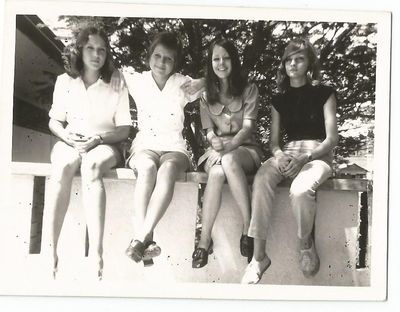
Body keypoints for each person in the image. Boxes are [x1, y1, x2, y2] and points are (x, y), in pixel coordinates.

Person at [241, 38, 338, 284]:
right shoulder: (279, 99)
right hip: (287, 154)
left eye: (299, 59)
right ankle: (258, 257)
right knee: (262, 179)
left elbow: (332, 139)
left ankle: (306, 243)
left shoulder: (324, 92)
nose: (293, 64)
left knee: (301, 189)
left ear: (309, 64)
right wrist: (278, 155)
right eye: (288, 60)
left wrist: (306, 157)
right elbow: (274, 142)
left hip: (316, 154)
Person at [46, 26, 132, 280]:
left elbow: (124, 129)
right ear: (80, 50)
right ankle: (51, 252)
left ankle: (96, 253)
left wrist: (97, 139)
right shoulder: (65, 82)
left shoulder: (116, 83)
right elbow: (54, 121)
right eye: (91, 48)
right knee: (62, 166)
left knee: (92, 166)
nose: (96, 54)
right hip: (71, 141)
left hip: (105, 143)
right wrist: (67, 137)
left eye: (102, 50)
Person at [115, 32, 204, 264]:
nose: (161, 63)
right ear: (149, 57)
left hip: (174, 148)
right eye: (157, 56)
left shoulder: (181, 83)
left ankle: (140, 237)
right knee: (146, 169)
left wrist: (201, 82)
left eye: (168, 59)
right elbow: (110, 74)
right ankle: (147, 242)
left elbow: (216, 82)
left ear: (175, 63)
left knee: (167, 171)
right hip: (145, 145)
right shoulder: (138, 80)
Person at [191, 38, 263, 269]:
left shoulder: (249, 89)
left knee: (230, 160)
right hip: (217, 150)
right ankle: (203, 241)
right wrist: (213, 141)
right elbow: (208, 131)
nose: (221, 63)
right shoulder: (205, 94)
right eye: (216, 58)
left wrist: (227, 149)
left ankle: (248, 228)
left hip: (245, 150)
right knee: (215, 175)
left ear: (234, 60)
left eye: (226, 57)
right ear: (210, 63)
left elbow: (248, 128)